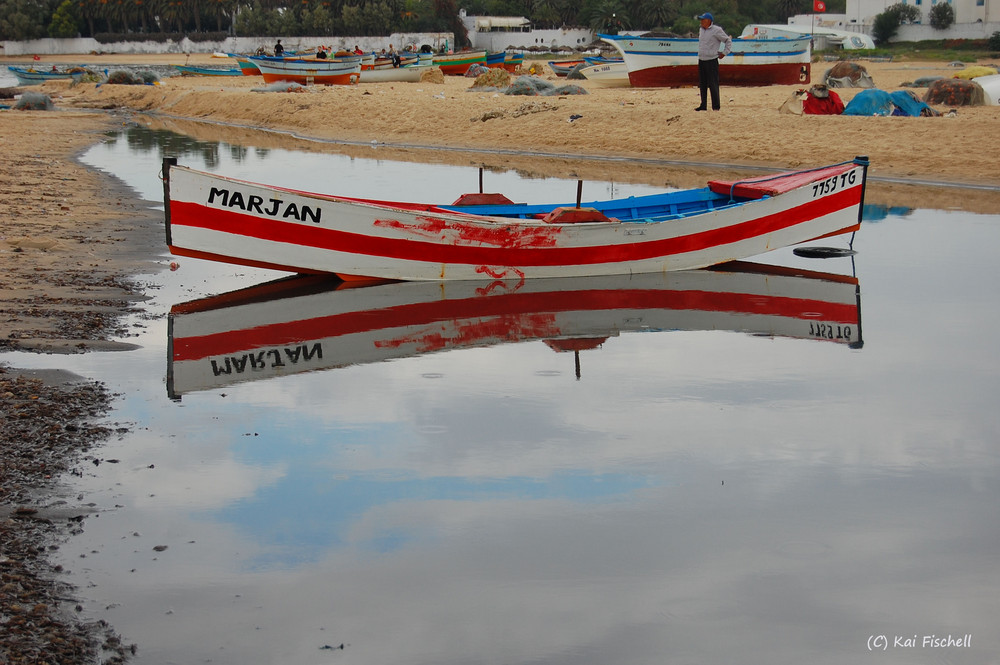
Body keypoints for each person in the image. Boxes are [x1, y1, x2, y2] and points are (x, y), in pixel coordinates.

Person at [694, 13, 731, 111]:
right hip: (701, 59)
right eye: (701, 20)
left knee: (713, 84)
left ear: (709, 21)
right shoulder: (701, 30)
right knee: (702, 84)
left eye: (703, 20)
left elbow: (728, 41)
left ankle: (716, 106)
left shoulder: (717, 30)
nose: (701, 21)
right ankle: (703, 105)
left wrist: (724, 52)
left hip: (711, 60)